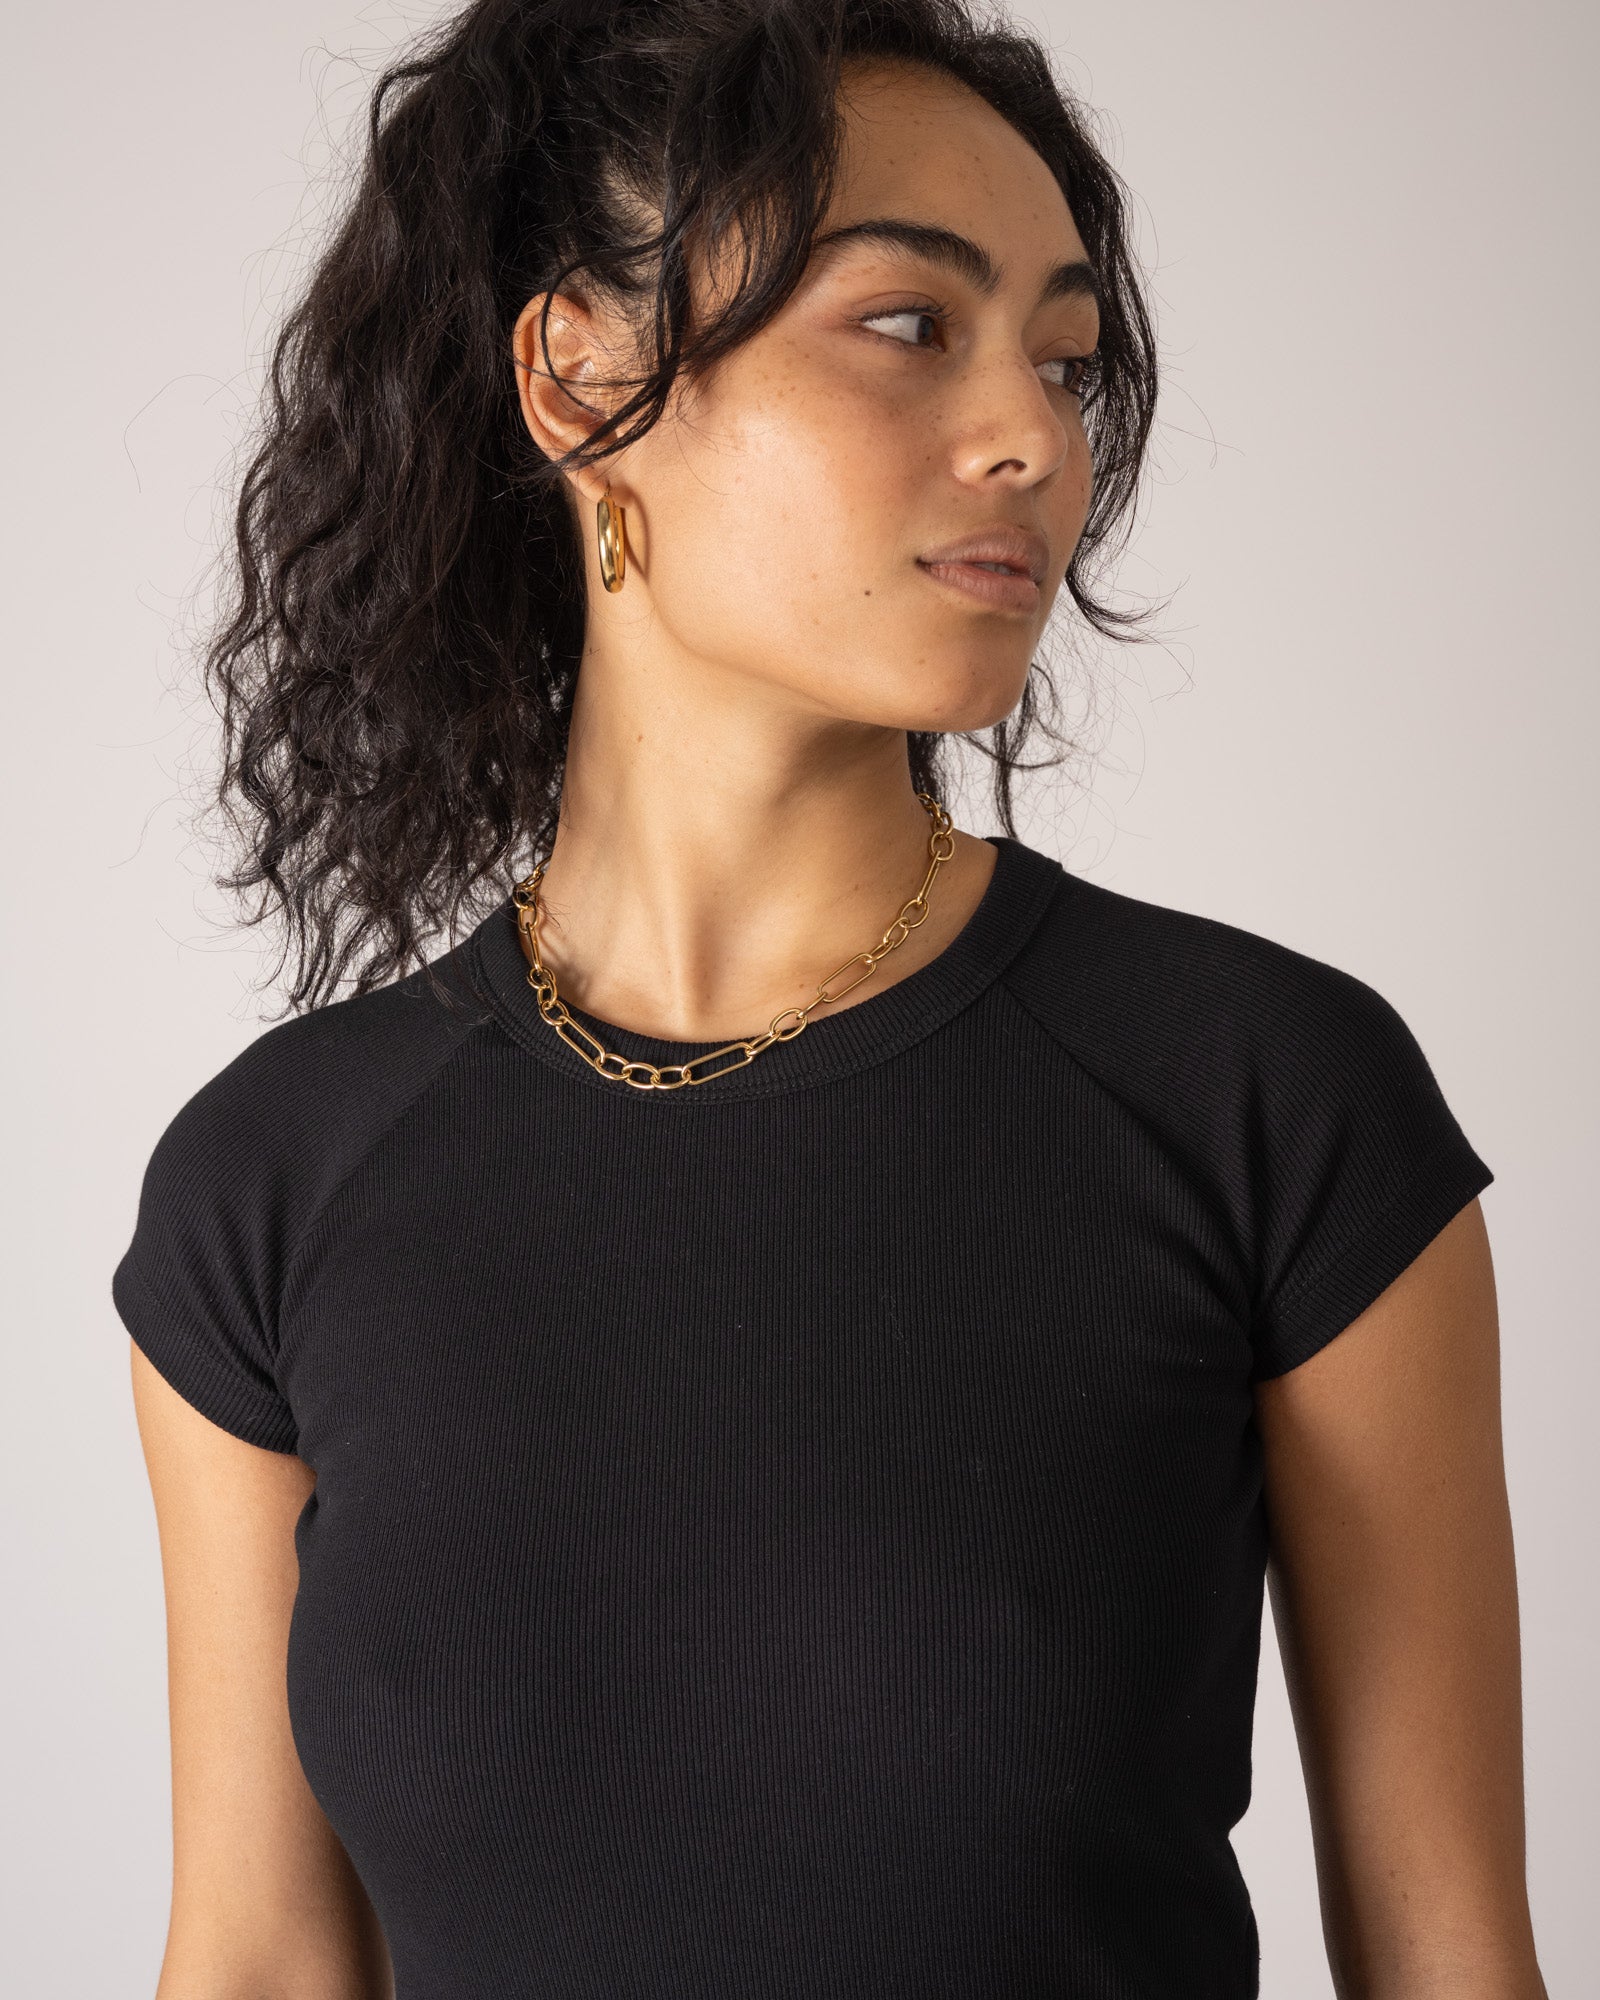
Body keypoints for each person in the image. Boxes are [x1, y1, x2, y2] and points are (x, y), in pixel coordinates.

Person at [111, 2, 1548, 1996]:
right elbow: (257, 1962)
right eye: (907, 323)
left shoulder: (1262, 1101)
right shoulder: (273, 1184)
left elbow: (1451, 1961)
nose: (1032, 434)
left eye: (1064, 356)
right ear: (578, 376)